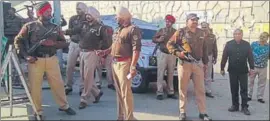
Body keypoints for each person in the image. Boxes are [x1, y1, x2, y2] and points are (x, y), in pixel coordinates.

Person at [13, 1, 76, 119]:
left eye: (50, 11)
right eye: (47, 11)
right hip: (36, 61)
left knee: (58, 85)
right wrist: (26, 56)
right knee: (35, 88)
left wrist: (54, 43)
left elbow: (64, 43)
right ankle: (38, 112)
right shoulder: (29, 26)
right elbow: (18, 41)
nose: (49, 13)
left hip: (52, 59)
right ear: (39, 13)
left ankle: (64, 106)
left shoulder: (55, 27)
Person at [65, 6, 111, 109]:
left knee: (88, 76)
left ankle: (84, 99)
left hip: (92, 53)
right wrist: (64, 32)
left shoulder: (100, 28)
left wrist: (103, 54)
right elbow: (74, 30)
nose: (87, 17)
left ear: (95, 16)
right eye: (87, 15)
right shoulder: (84, 25)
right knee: (84, 76)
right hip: (82, 52)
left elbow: (106, 43)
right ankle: (97, 92)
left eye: (90, 15)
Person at [167, 13, 211, 120]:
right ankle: (182, 112)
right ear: (187, 21)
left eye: (196, 20)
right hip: (184, 64)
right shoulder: (181, 32)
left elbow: (205, 49)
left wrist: (205, 63)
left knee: (200, 89)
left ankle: (203, 112)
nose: (195, 21)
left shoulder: (202, 33)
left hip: (198, 64)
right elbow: (169, 44)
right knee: (183, 89)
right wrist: (178, 53)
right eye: (192, 20)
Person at [220, 28, 254, 115]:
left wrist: (252, 68)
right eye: (236, 34)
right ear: (233, 35)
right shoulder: (229, 44)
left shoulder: (246, 44)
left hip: (243, 71)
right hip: (233, 70)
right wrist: (222, 68)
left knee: (244, 89)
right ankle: (235, 105)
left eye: (239, 34)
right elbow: (224, 57)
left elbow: (250, 57)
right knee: (234, 89)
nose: (237, 35)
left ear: (242, 35)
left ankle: (244, 106)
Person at [65, 2, 88, 95]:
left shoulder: (87, 19)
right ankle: (68, 86)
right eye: (77, 8)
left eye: (80, 8)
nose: (77, 10)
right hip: (74, 44)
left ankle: (82, 87)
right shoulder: (73, 18)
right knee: (70, 66)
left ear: (85, 9)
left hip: (83, 45)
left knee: (83, 68)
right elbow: (70, 30)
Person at [152, 14, 177, 100]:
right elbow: (154, 39)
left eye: (169, 22)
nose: (167, 23)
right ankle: (159, 92)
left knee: (171, 73)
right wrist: (159, 40)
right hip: (162, 53)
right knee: (160, 73)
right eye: (166, 21)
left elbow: (179, 42)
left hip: (172, 54)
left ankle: (170, 92)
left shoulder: (175, 32)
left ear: (172, 23)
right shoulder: (161, 30)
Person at [248, 32, 269, 103]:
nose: (263, 38)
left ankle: (260, 97)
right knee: (250, 81)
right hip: (253, 66)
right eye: (262, 36)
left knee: (262, 82)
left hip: (263, 67)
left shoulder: (268, 46)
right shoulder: (254, 44)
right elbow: (249, 53)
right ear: (260, 37)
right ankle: (249, 95)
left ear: (267, 38)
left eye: (265, 37)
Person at [201, 22, 217, 98]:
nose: (204, 28)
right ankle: (200, 91)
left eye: (205, 27)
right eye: (202, 27)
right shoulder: (198, 35)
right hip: (200, 57)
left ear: (208, 27)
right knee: (200, 75)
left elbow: (215, 48)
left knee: (208, 75)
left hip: (209, 56)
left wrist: (215, 57)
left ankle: (208, 91)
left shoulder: (212, 37)